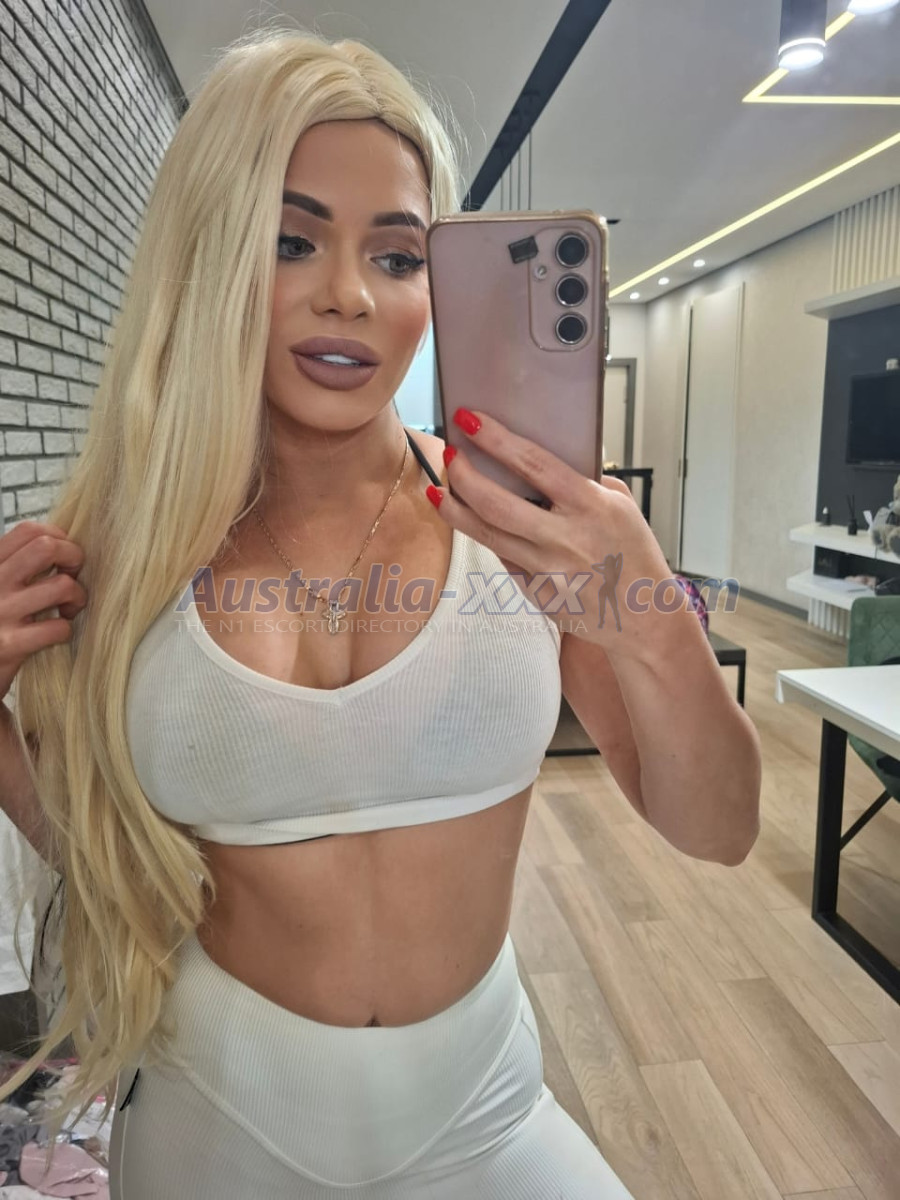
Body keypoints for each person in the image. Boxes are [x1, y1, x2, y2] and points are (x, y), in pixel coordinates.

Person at [0, 26, 761, 1200]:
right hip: (216, 1118)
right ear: (209, 256)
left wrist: (653, 617)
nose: (350, 295)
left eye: (398, 256)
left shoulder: (521, 532)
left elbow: (719, 827)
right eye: (291, 240)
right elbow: (100, 852)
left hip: (484, 1114)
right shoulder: (120, 549)